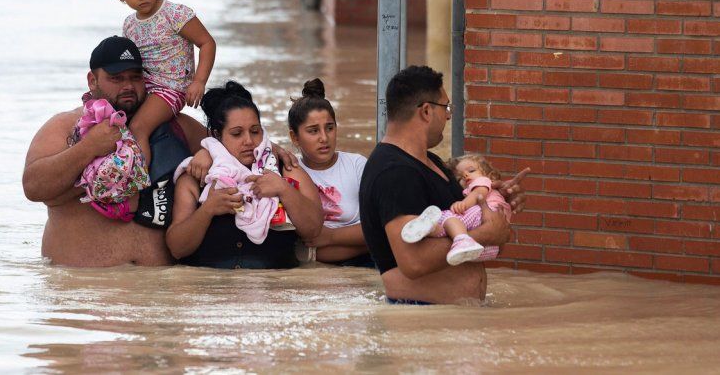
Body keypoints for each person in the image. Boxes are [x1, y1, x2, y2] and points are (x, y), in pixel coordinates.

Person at [22, 36, 210, 267]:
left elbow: (250, 149)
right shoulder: (65, 125)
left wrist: (210, 153)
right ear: (93, 80)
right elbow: (33, 187)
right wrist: (88, 148)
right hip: (82, 289)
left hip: (159, 291)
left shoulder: (176, 126)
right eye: (116, 78)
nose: (128, 86)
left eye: (135, 77)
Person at [359, 65, 527, 304]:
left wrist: (496, 202)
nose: (448, 115)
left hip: (451, 319)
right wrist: (484, 234)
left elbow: (470, 224)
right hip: (419, 318)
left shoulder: (431, 163)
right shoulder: (394, 172)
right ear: (426, 111)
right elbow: (412, 261)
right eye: (445, 107)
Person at [166, 81, 324, 269]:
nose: (249, 141)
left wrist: (284, 190)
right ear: (217, 136)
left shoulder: (285, 168)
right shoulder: (196, 177)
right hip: (209, 291)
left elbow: (313, 230)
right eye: (237, 134)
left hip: (275, 290)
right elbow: (176, 249)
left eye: (255, 131)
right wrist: (207, 210)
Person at [100, 0, 217, 169]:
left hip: (171, 87)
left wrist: (199, 81)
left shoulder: (175, 14)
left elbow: (207, 43)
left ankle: (137, 178)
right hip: (147, 86)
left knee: (139, 127)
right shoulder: (129, 24)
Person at [287, 78, 373, 267]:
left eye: (330, 128)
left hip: (365, 264)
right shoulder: (291, 173)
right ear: (294, 137)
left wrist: (331, 237)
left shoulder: (357, 165)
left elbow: (380, 228)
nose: (324, 138)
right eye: (313, 131)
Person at [401, 153, 510, 265]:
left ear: (490, 175)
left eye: (471, 171)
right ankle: (431, 230)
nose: (466, 176)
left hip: (483, 216)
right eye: (460, 178)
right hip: (488, 250)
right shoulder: (483, 189)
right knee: (451, 228)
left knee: (450, 217)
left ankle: (446, 232)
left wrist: (464, 204)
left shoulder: (484, 181)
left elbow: (478, 194)